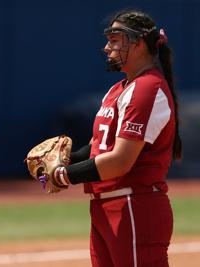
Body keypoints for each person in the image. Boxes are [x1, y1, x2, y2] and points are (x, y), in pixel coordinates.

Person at [50, 9, 182, 267]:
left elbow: (120, 160)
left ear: (139, 44)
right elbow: (97, 149)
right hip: (105, 207)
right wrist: (63, 162)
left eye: (115, 39)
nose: (107, 47)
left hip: (134, 206)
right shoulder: (117, 90)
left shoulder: (147, 88)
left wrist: (66, 176)